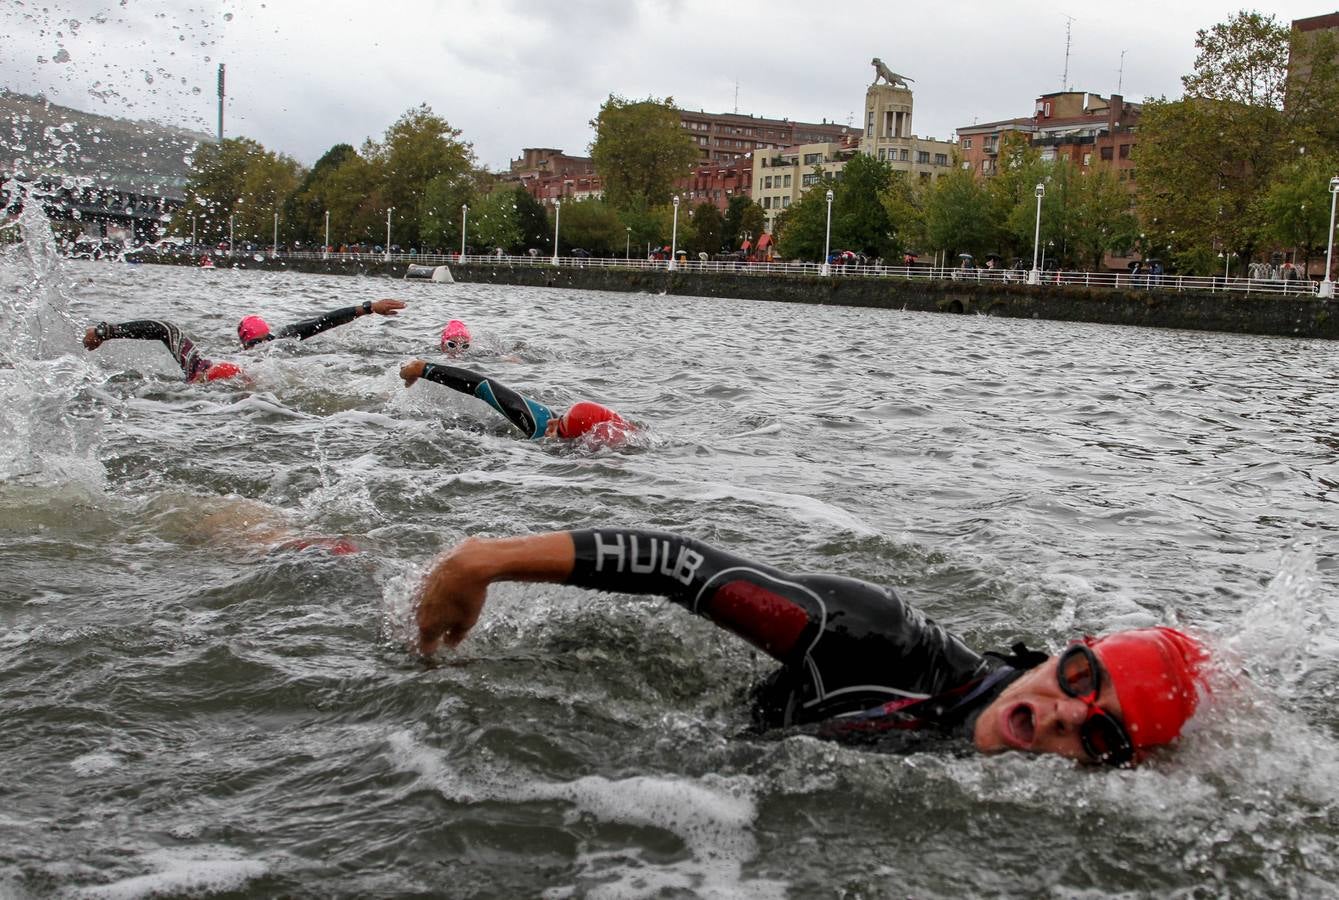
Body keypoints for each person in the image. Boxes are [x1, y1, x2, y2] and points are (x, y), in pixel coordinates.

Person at [414, 528, 1211, 767]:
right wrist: (482, 562)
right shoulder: (878, 639)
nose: (1065, 714)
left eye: (1100, 731)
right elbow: (679, 568)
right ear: (1058, 654)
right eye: (1080, 677)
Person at [399, 359, 631, 442]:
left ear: (573, 441)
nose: (550, 424)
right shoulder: (540, 423)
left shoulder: (586, 447)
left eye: (559, 428)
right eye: (558, 417)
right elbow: (484, 387)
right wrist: (425, 369)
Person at [83, 319, 246, 383]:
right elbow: (166, 330)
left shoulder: (198, 369)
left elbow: (165, 329)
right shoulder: (201, 368)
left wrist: (106, 332)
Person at [237, 298, 405, 349]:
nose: (257, 347)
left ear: (270, 336)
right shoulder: (239, 359)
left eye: (263, 341)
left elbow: (324, 321)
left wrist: (368, 308)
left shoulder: (284, 337)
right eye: (252, 343)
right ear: (244, 344)